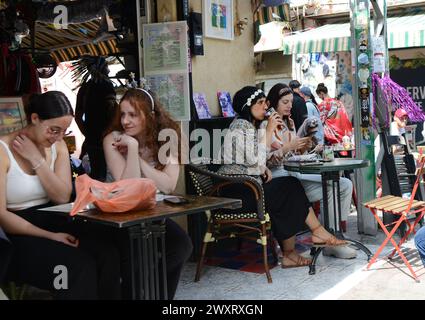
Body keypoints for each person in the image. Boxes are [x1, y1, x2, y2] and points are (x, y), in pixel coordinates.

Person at [0, 91, 121, 300]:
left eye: (63, 132)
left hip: (53, 218)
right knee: (77, 267)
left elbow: (62, 197)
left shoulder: (58, 146)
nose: (57, 137)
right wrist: (50, 236)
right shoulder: (3, 150)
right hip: (17, 232)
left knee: (107, 255)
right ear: (35, 118)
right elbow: (1, 215)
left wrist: (37, 161)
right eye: (53, 130)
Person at [217, 86, 348, 268]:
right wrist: (269, 133)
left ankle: (293, 251)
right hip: (236, 191)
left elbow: (255, 162)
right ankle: (305, 241)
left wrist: (263, 168)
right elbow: (257, 160)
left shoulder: (248, 126)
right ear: (248, 106)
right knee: (288, 187)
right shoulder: (240, 127)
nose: (265, 107)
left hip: (249, 185)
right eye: (261, 103)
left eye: (265, 102)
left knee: (289, 186)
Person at [103, 88, 193, 300]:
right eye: (122, 114)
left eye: (133, 114)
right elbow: (127, 187)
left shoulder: (167, 138)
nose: (125, 120)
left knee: (181, 246)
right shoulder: (113, 140)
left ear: (150, 116)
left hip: (149, 212)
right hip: (117, 214)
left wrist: (137, 156)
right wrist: (132, 150)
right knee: (135, 260)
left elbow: (169, 185)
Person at [265, 84, 357, 259]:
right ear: (274, 102)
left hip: (295, 174)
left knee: (344, 184)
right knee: (334, 185)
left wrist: (304, 146)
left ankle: (333, 234)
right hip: (281, 179)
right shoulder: (267, 124)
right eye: (285, 102)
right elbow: (266, 159)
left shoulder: (289, 122)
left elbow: (293, 154)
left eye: (291, 102)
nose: (289, 105)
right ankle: (329, 240)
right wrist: (288, 148)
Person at [75, 57, 117, 181]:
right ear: (102, 68)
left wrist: (88, 134)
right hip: (105, 138)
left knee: (96, 175)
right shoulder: (106, 85)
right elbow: (112, 110)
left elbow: (77, 116)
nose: (109, 70)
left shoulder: (85, 88)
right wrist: (110, 133)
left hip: (91, 141)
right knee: (107, 176)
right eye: (107, 66)